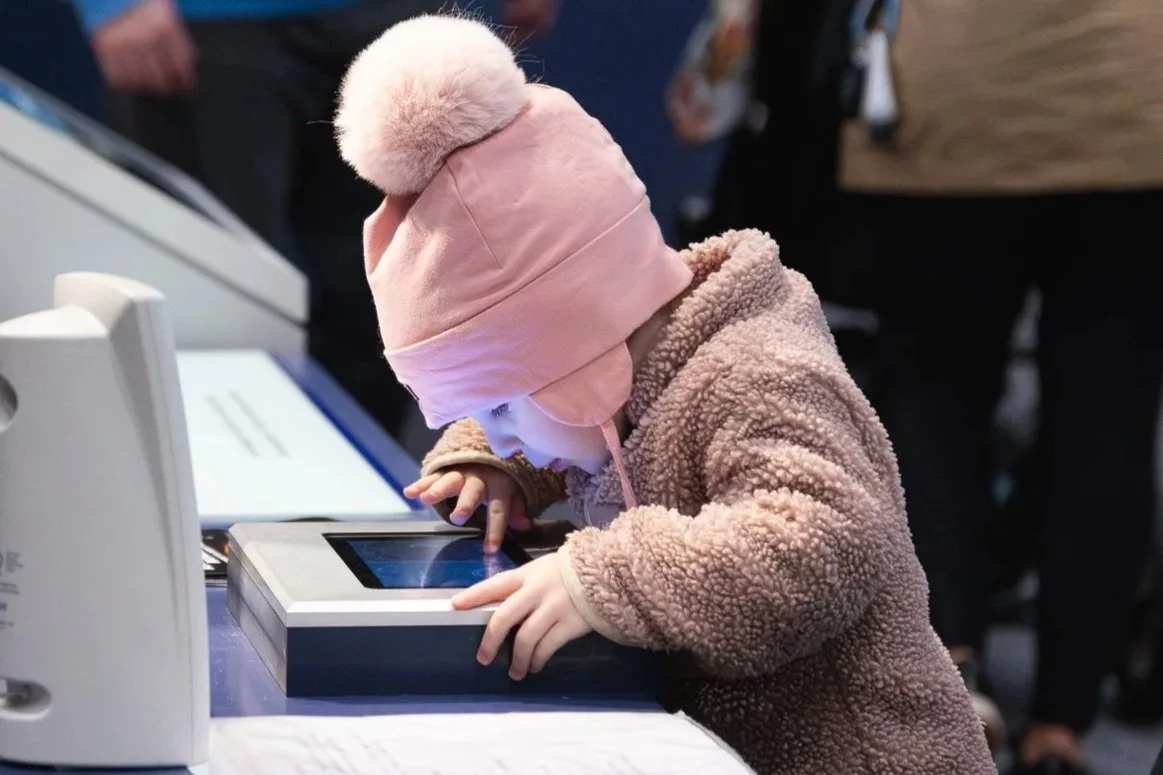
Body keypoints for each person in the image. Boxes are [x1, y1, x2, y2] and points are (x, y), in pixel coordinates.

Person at [333, 14, 996, 774]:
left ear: (576, 353)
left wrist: (606, 577)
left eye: (500, 407)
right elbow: (591, 441)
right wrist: (497, 462)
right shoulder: (628, 364)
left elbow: (825, 538)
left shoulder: (757, 371)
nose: (502, 431)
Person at [837, 0, 1163, 772]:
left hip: (953, 98)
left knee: (934, 390)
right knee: (1108, 414)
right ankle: (1061, 725)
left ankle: (950, 662)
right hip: (1132, 102)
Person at [70, 0, 559, 435]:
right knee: (205, 294)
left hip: (393, 17)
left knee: (398, 292)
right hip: (203, 27)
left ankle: (365, 517)